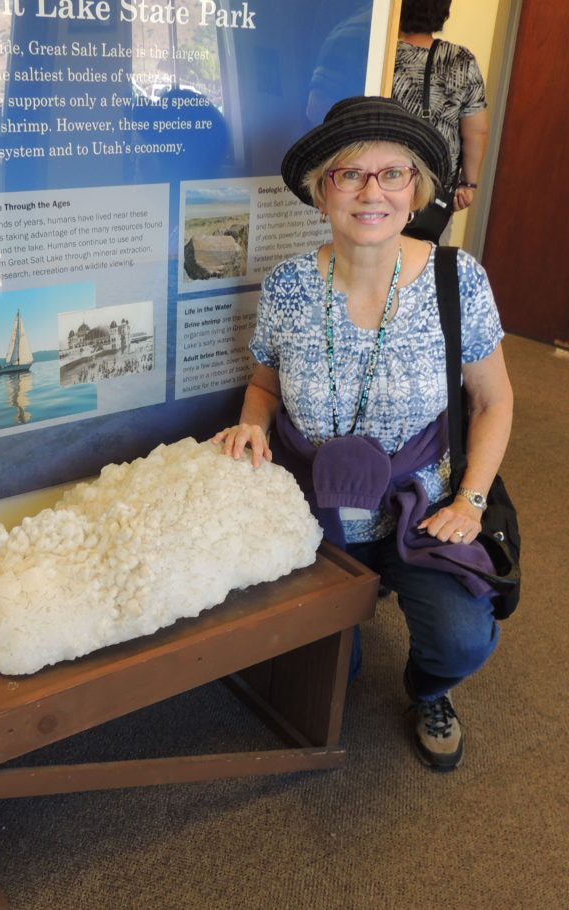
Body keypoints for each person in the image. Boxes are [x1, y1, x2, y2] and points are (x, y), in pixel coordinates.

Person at [214, 96, 513, 771]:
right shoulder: (289, 285)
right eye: (350, 175)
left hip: (424, 509)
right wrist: (251, 426)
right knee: (325, 674)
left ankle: (429, 691)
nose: (370, 191)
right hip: (312, 512)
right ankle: (342, 623)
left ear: (417, 192)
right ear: (323, 192)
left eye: (392, 174)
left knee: (462, 637)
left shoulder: (456, 280)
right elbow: (263, 385)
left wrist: (469, 501)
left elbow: (494, 401)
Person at [392, 0, 489, 223]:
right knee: (428, 255)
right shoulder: (460, 61)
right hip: (434, 194)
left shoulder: (382, 55)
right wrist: (468, 184)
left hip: (382, 184)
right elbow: (477, 131)